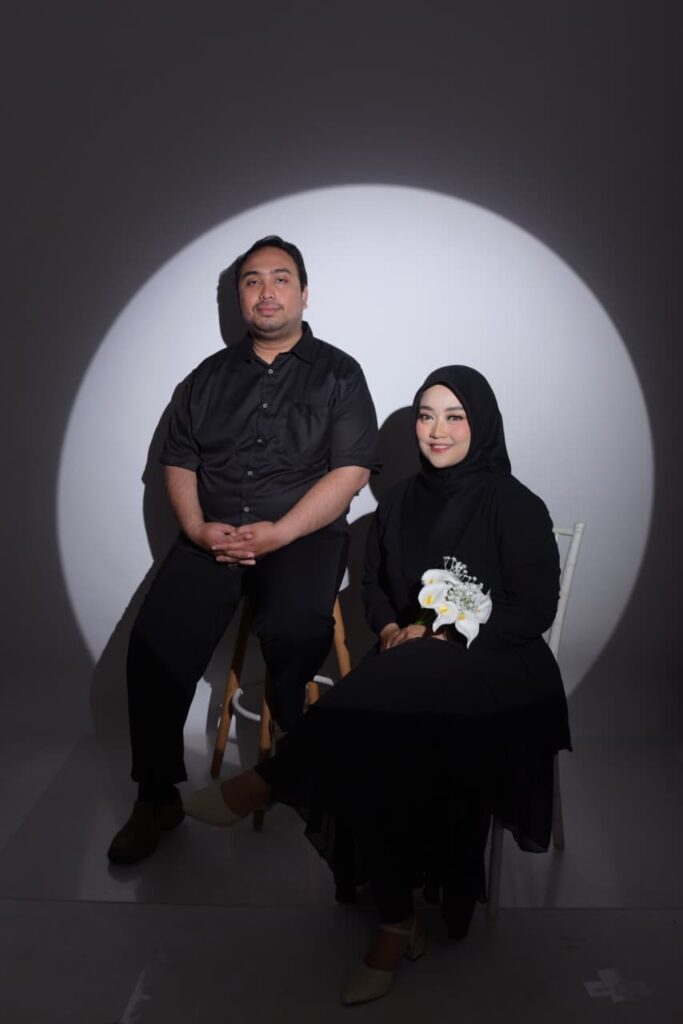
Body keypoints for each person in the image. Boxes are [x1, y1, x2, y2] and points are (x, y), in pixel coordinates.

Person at [184, 365, 571, 1006]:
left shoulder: (515, 504)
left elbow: (534, 610)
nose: (437, 430)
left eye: (454, 417)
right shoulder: (400, 505)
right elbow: (374, 588)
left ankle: (271, 781)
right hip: (406, 670)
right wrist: (391, 626)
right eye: (426, 415)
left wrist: (449, 635)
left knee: (376, 713)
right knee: (375, 742)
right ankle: (395, 922)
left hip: (499, 668)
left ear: (481, 424)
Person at [107, 236, 378, 866]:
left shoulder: (340, 374)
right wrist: (198, 529)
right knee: (154, 640)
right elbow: (178, 460)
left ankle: (291, 767)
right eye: (252, 281)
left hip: (302, 536)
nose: (266, 292)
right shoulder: (206, 377)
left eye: (281, 279)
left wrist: (280, 532)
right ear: (239, 298)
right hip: (216, 535)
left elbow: (352, 470)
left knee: (295, 627)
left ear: (304, 294)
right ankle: (156, 798)